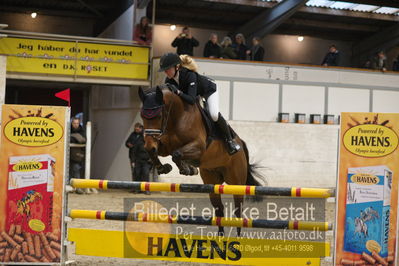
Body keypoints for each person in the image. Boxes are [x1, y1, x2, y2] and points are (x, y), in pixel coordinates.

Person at [159, 53, 241, 155]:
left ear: (177, 66)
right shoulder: (169, 80)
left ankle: (230, 141)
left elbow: (192, 100)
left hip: (209, 90)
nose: (166, 72)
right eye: (164, 70)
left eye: (167, 69)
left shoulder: (190, 75)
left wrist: (178, 92)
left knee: (214, 114)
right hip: (194, 93)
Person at [70, 117, 86, 194]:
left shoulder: (82, 131)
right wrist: (76, 137)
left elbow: (83, 140)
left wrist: (72, 137)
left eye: (77, 123)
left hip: (77, 155)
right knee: (68, 172)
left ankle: (78, 188)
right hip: (68, 154)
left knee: (77, 170)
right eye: (74, 123)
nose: (76, 125)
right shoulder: (68, 129)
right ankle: (69, 187)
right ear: (71, 123)